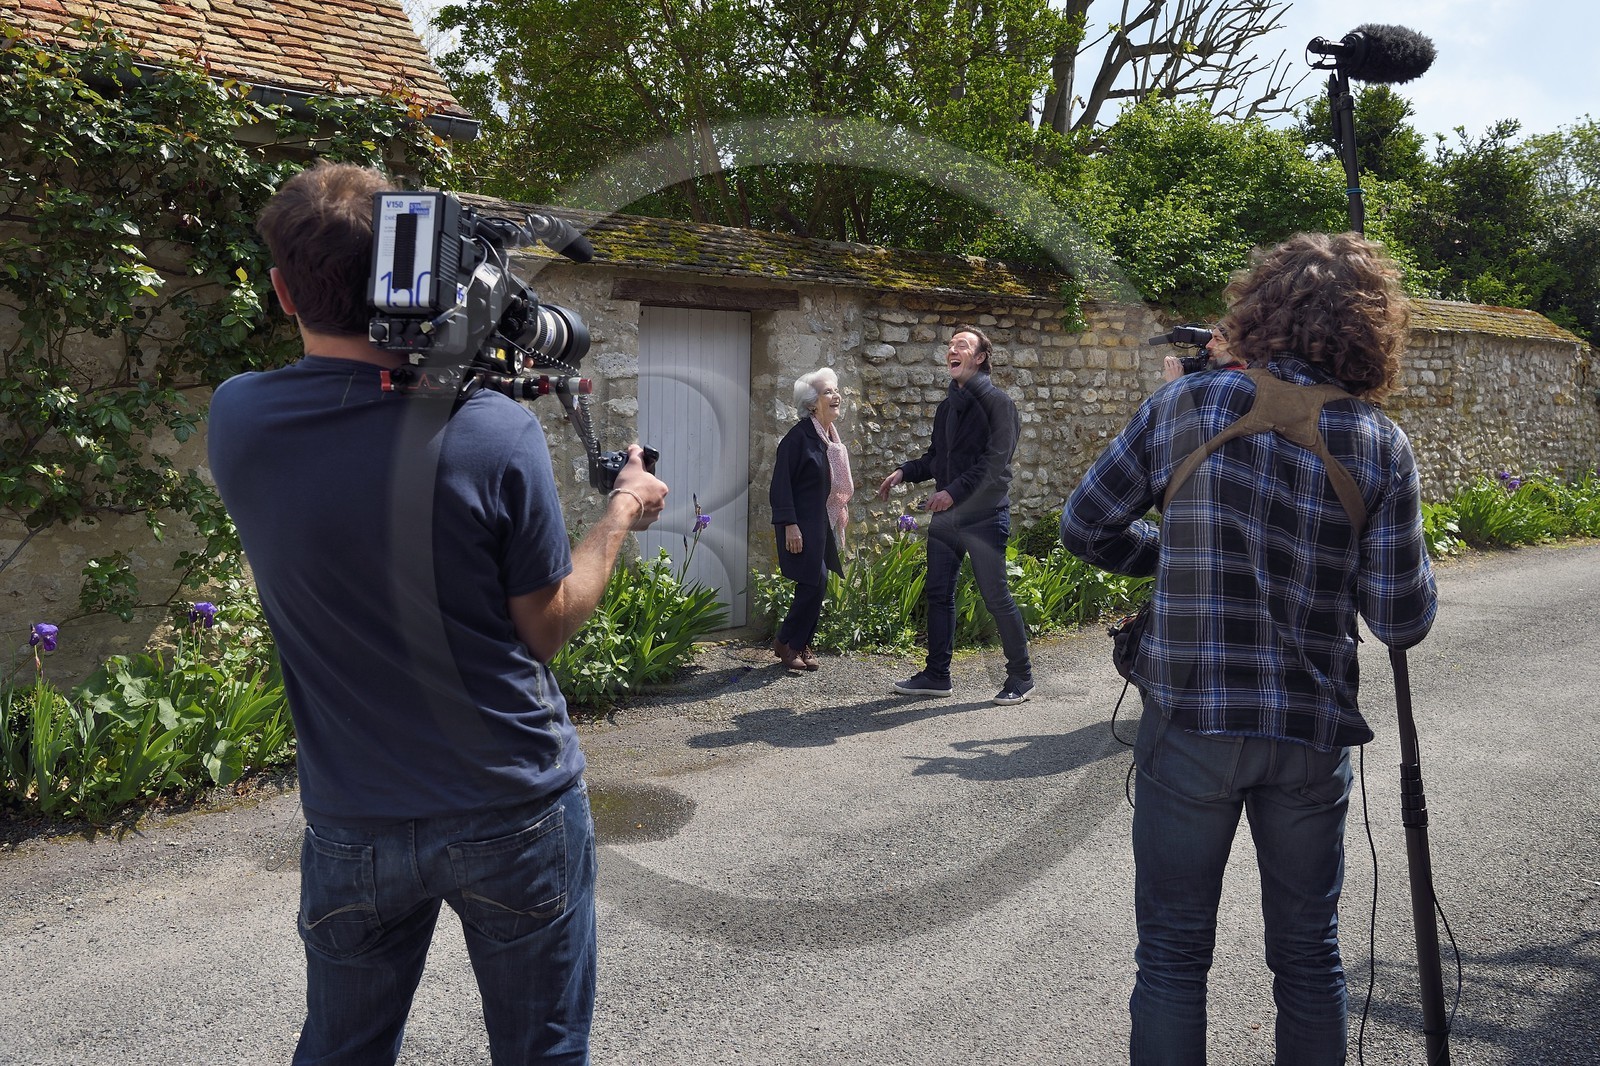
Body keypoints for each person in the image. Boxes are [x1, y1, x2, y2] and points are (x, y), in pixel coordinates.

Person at [207, 161, 667, 1066]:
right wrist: (620, 513)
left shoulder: (239, 419)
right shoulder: (493, 429)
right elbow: (546, 623)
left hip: (353, 817)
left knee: (341, 1049)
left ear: (280, 289)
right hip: (514, 805)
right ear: (422, 282)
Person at [1059, 232, 1438, 1065]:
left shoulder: (1188, 405)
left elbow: (1085, 525)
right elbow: (1402, 620)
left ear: (1261, 309)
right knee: (1309, 960)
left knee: (1170, 959)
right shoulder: (1380, 444)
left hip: (1190, 720)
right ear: (1368, 332)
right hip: (1310, 732)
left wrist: (1168, 559)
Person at [877, 326, 1034, 705]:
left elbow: (995, 464)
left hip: (984, 516)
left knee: (995, 596)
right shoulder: (947, 407)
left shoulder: (1000, 404)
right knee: (938, 594)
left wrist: (952, 493)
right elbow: (936, 458)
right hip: (948, 518)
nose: (952, 349)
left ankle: (1022, 677)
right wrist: (905, 471)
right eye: (950, 345)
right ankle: (937, 675)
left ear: (979, 358)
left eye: (961, 345)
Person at [768, 367, 852, 671]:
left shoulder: (830, 440)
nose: (836, 395)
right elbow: (780, 486)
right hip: (799, 525)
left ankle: (797, 643)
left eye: (835, 390)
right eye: (827, 391)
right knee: (813, 581)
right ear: (811, 403)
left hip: (821, 523)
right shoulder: (797, 439)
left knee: (818, 582)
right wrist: (789, 524)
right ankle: (788, 643)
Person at [1161, 325, 1245, 384]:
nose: (1208, 345)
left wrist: (1175, 383)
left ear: (1237, 347)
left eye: (1218, 339)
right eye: (1211, 338)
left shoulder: (1236, 381)